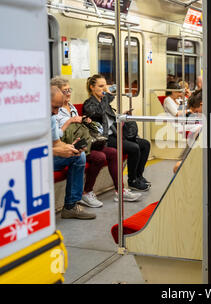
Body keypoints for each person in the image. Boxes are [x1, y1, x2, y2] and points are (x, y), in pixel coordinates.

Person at [51, 77, 141, 206]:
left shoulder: (71, 107)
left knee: (114, 152)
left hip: (85, 140)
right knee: (98, 156)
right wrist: (71, 121)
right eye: (65, 91)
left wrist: (87, 122)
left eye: (69, 90)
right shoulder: (87, 104)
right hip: (68, 143)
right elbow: (58, 134)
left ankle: (120, 190)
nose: (69, 93)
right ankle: (85, 193)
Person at [83, 74, 151, 193]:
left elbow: (110, 119)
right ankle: (132, 180)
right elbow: (98, 112)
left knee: (145, 144)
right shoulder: (89, 104)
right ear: (92, 87)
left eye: (105, 86)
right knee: (134, 148)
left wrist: (122, 116)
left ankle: (139, 176)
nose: (104, 89)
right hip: (105, 138)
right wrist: (106, 96)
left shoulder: (104, 102)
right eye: (101, 86)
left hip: (115, 133)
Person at [50, 86, 96, 220]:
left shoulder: (52, 117)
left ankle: (70, 206)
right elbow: (25, 150)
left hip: (47, 155)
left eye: (58, 108)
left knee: (78, 155)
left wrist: (69, 148)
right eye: (54, 107)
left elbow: (56, 142)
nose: (56, 112)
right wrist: (55, 150)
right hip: (30, 160)